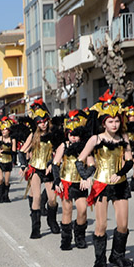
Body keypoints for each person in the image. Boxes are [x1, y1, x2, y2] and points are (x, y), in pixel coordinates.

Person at [78, 90, 134, 267]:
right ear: (104, 122)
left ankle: (117, 255)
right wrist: (86, 176)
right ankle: (100, 260)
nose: (114, 124)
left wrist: (120, 173)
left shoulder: (123, 138)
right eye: (110, 121)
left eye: (117, 120)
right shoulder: (96, 139)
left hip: (120, 184)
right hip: (101, 185)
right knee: (101, 225)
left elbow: (130, 160)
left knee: (123, 224)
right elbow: (80, 159)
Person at [21, 100, 60, 239]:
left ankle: (52, 221)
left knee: (52, 199)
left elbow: (59, 151)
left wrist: (54, 162)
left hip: (49, 170)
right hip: (35, 169)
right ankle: (35, 228)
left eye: (44, 121)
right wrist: (23, 166)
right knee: (36, 196)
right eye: (39, 122)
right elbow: (21, 151)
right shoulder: (33, 136)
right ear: (36, 123)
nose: (42, 124)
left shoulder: (53, 134)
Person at [52, 111, 90, 250]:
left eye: (76, 135)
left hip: (80, 184)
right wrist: (57, 181)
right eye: (71, 135)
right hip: (66, 183)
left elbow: (92, 165)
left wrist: (86, 177)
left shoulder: (86, 147)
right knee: (67, 210)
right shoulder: (64, 146)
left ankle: (80, 236)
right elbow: (55, 164)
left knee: (83, 210)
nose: (73, 138)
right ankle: (66, 239)